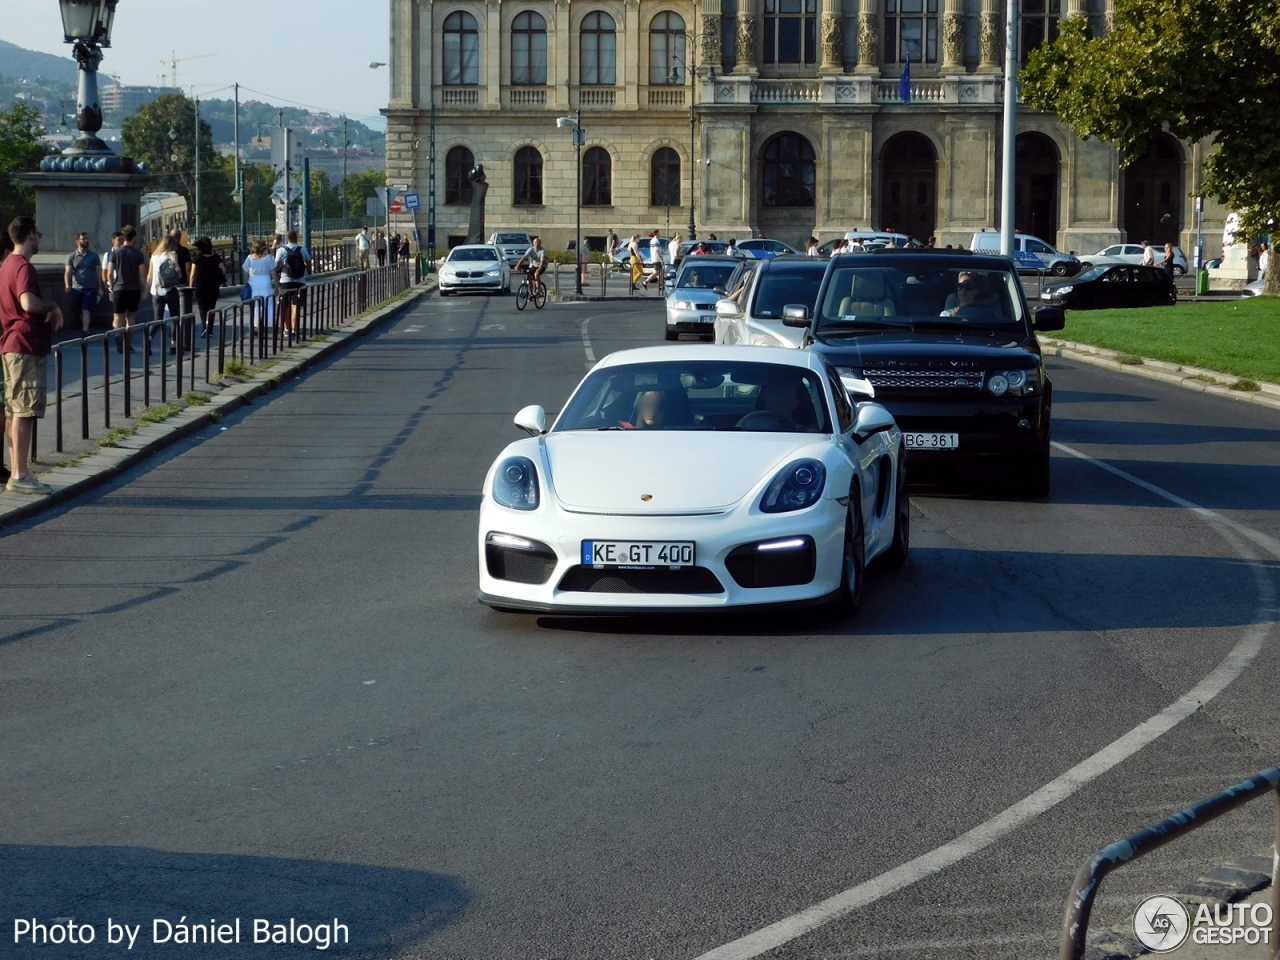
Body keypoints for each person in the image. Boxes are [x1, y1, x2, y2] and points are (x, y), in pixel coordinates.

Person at [0, 217, 63, 495]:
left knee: (13, 410)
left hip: (11, 343)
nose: (39, 237)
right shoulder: (23, 266)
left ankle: (16, 470)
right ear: (30, 236)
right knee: (24, 410)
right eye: (37, 233)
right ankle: (20, 475)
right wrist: (52, 305)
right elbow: (27, 302)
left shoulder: (6, 266)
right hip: (25, 343)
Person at [107, 224, 148, 352]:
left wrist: (111, 286)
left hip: (119, 288)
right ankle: (127, 343)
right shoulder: (138, 254)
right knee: (131, 318)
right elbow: (143, 274)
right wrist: (144, 290)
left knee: (118, 317)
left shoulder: (116, 253)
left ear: (122, 237)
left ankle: (118, 337)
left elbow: (109, 273)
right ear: (134, 238)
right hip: (133, 289)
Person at [146, 234, 184, 353]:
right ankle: (174, 346)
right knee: (174, 318)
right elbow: (177, 269)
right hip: (170, 290)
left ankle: (148, 339)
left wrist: (146, 291)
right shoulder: (172, 254)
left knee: (157, 319)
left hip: (156, 292)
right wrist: (179, 276)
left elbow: (149, 276)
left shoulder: (154, 256)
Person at [64, 232, 104, 334]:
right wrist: (67, 285)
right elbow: (68, 272)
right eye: (83, 239)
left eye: (87, 239)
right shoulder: (71, 257)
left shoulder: (94, 256)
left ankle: (85, 330)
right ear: (77, 241)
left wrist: (100, 288)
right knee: (80, 310)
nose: (86, 241)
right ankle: (83, 326)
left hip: (90, 288)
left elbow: (99, 272)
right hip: (76, 288)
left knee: (86, 309)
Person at [275, 230, 311, 339]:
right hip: (300, 282)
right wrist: (303, 264)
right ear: (297, 238)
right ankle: (295, 330)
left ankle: (287, 330)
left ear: (287, 238)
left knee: (285, 306)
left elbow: (276, 266)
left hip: (285, 282)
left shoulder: (281, 250)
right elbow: (309, 264)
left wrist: (283, 265)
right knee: (296, 306)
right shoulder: (302, 249)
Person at [188, 237, 225, 339]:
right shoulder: (216, 258)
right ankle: (210, 329)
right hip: (213, 287)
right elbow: (223, 270)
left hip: (200, 287)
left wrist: (191, 287)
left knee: (202, 309)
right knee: (211, 308)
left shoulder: (197, 258)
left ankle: (205, 328)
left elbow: (192, 274)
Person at [242, 239, 278, 330]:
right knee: (265, 302)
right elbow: (274, 273)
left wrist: (245, 283)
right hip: (265, 281)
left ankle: (255, 325)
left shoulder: (249, 258)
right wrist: (277, 286)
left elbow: (245, 273)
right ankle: (263, 323)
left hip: (253, 282)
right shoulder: (269, 257)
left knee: (255, 304)